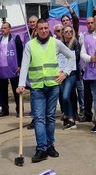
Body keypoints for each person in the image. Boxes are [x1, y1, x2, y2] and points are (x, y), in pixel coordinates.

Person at [17, 18, 76, 163]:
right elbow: (24, 66)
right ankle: (41, 148)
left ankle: (50, 145)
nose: (43, 31)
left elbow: (71, 56)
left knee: (50, 117)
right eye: (40, 28)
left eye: (45, 28)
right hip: (37, 87)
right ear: (35, 30)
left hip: (52, 85)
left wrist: (65, 73)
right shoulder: (30, 45)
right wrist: (21, 84)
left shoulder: (55, 43)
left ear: (48, 29)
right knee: (39, 118)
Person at [0, 21, 23, 117]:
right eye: (2, 28)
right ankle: (4, 109)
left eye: (5, 28)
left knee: (16, 90)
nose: (3, 30)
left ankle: (19, 110)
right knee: (2, 91)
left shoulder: (16, 38)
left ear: (9, 29)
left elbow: (20, 52)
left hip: (14, 68)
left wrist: (20, 65)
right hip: (2, 69)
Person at [58, 25, 81, 129]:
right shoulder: (59, 44)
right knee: (64, 97)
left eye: (70, 31)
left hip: (71, 74)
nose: (68, 33)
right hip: (61, 73)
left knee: (66, 96)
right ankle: (68, 117)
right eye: (66, 31)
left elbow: (77, 57)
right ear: (62, 33)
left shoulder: (75, 42)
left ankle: (70, 117)